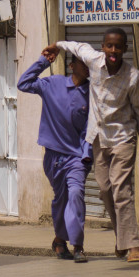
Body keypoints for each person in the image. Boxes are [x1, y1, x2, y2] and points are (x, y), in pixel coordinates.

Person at [45, 28, 139, 263]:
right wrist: (56, 45)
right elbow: (75, 46)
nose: (113, 51)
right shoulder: (93, 60)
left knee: (121, 189)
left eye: (118, 47)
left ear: (125, 49)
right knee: (105, 190)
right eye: (109, 46)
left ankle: (133, 245)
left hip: (123, 137)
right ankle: (121, 239)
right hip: (98, 138)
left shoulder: (132, 76)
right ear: (103, 47)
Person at [17, 50, 92, 263]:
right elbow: (24, 83)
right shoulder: (52, 84)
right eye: (82, 62)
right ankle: (60, 240)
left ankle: (78, 246)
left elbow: (90, 129)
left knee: (76, 193)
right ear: (71, 65)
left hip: (77, 157)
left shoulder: (92, 94)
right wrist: (44, 60)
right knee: (61, 199)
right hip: (53, 158)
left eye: (89, 62)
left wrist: (86, 156)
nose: (87, 66)